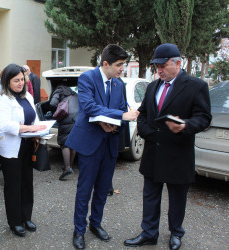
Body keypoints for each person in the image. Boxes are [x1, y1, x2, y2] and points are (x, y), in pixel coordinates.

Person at [124, 43, 212, 250]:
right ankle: (149, 233)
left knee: (177, 199)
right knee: (150, 196)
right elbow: (143, 113)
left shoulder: (196, 86)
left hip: (178, 153)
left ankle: (176, 233)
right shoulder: (153, 86)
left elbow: (204, 117)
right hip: (153, 152)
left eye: (163, 66)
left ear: (178, 63)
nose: (159, 70)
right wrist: (146, 132)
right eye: (157, 66)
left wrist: (185, 125)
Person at [65, 44, 139, 249]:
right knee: (85, 189)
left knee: (103, 189)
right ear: (105, 63)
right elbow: (88, 107)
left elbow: (122, 109)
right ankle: (78, 230)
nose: (122, 69)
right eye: (119, 65)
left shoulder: (119, 84)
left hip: (110, 143)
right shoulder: (87, 78)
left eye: (123, 65)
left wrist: (117, 122)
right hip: (90, 143)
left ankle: (95, 224)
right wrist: (112, 118)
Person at [0, 64, 46, 237]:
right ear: (7, 81)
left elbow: (35, 118)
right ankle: (15, 222)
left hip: (28, 145)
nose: (20, 83)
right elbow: (4, 125)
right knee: (13, 186)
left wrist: (39, 130)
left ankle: (26, 216)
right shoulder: (2, 99)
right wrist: (30, 129)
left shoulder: (28, 96)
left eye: (22, 79)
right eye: (16, 80)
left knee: (27, 183)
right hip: (11, 149)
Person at [49, 85, 78, 180]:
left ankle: (66, 169)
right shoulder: (74, 94)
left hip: (66, 119)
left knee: (64, 143)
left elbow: (52, 104)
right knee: (73, 143)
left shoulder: (58, 91)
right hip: (77, 119)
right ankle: (70, 166)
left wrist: (57, 108)